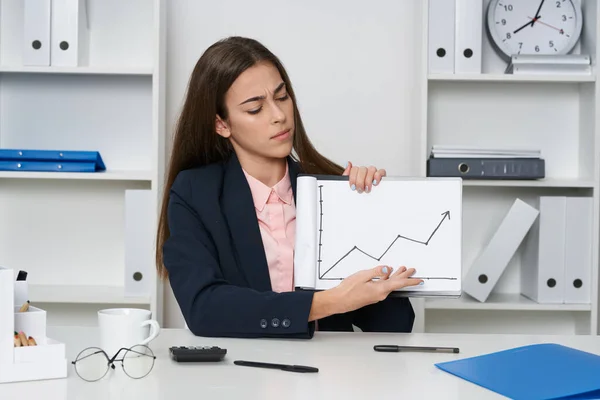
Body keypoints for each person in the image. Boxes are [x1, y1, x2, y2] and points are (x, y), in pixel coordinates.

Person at [155, 36, 423, 339]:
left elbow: (395, 325)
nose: (279, 115)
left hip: (333, 375)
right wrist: (327, 302)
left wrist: (366, 216)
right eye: (255, 108)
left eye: (281, 97)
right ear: (221, 125)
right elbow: (204, 309)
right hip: (240, 377)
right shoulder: (195, 192)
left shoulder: (331, 189)